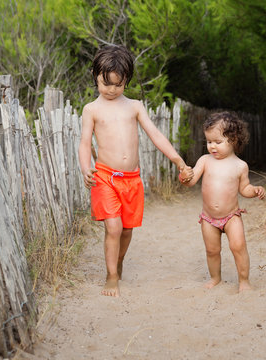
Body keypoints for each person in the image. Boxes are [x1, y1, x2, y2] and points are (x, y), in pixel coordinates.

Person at [78, 45, 193, 297]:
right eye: (105, 83)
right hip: (105, 177)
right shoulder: (92, 109)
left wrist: (177, 160)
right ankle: (111, 277)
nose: (111, 89)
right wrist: (86, 168)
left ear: (126, 81)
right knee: (114, 228)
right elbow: (85, 143)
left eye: (118, 85)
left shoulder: (135, 106)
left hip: (132, 180)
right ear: (95, 76)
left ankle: (118, 262)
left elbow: (155, 135)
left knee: (127, 230)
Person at [180, 111, 265, 293]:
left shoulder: (240, 166)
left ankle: (244, 281)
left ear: (233, 140)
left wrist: (254, 191)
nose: (212, 147)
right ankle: (215, 277)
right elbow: (192, 182)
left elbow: (244, 188)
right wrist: (185, 177)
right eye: (209, 142)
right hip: (209, 218)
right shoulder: (205, 161)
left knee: (238, 247)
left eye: (218, 142)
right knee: (212, 250)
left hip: (231, 216)